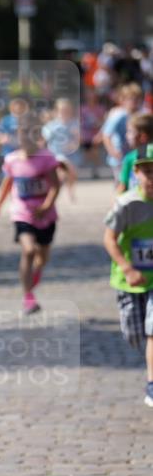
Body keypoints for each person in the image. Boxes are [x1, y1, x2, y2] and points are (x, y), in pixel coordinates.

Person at [0, 115, 61, 314]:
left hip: (45, 215)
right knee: (28, 250)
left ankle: (34, 277)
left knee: (42, 257)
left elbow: (55, 186)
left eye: (28, 135)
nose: (24, 139)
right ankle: (28, 297)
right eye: (20, 136)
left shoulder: (46, 158)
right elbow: (7, 184)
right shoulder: (11, 159)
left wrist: (46, 206)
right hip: (22, 212)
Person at [103, 144, 153, 408]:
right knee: (135, 335)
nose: (152, 177)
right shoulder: (127, 204)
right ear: (137, 173)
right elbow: (109, 239)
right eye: (148, 172)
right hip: (129, 281)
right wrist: (127, 268)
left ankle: (152, 383)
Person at [101, 83, 144, 183]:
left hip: (136, 155)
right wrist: (113, 152)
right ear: (122, 100)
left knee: (135, 181)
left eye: (137, 99)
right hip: (119, 157)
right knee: (121, 183)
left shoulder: (142, 115)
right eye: (131, 99)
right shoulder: (118, 116)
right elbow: (106, 135)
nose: (134, 102)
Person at [42, 98, 82, 201]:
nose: (64, 113)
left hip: (72, 154)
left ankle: (69, 190)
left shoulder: (74, 123)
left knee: (72, 175)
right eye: (62, 110)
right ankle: (54, 192)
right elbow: (44, 138)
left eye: (67, 110)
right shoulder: (52, 125)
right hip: (57, 154)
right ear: (57, 111)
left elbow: (78, 139)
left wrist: (75, 141)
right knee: (63, 172)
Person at [117, 113, 153, 193]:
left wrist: (117, 202)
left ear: (143, 136)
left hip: (136, 202)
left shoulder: (131, 158)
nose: (126, 135)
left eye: (130, 132)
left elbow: (123, 186)